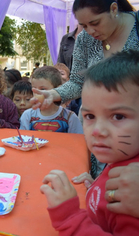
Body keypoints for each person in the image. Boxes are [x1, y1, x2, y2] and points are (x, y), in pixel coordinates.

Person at [40, 50, 139, 235]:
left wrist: (69, 218)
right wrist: (97, 186)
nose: (97, 131)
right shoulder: (120, 159)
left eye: (118, 116)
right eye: (90, 116)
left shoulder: (131, 197)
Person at [32, 0, 139, 109]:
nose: (90, 31)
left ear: (114, 9)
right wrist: (53, 94)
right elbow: (77, 83)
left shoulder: (136, 28)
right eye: (84, 26)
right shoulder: (84, 38)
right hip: (93, 119)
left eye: (95, 23)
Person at [20, 66, 83, 134]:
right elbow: (23, 139)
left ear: (58, 89)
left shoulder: (70, 117)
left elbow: (77, 141)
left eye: (43, 89)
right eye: (34, 89)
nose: (37, 93)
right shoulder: (27, 115)